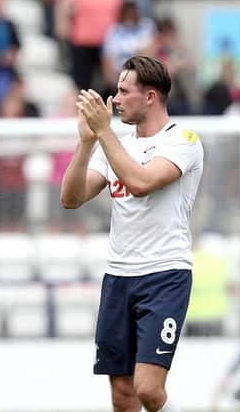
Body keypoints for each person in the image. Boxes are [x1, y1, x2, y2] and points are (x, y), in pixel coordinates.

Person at [61, 55, 204, 412]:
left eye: (124, 92)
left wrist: (105, 133)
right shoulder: (114, 144)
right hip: (119, 277)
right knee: (123, 394)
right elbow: (71, 198)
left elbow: (141, 183)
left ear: (151, 97)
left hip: (164, 275)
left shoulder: (183, 141)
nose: (115, 99)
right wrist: (85, 142)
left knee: (148, 389)